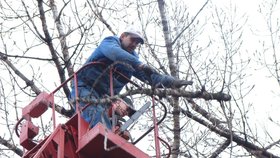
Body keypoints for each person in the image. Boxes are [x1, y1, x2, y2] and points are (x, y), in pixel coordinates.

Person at [70, 26, 192, 130]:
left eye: (137, 43)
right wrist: (139, 64)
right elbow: (115, 53)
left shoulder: (132, 60)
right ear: (123, 36)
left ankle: (116, 124)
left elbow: (151, 78)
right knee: (97, 119)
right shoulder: (110, 42)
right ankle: (105, 141)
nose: (134, 44)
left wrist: (172, 82)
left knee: (119, 110)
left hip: (105, 98)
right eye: (132, 40)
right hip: (85, 88)